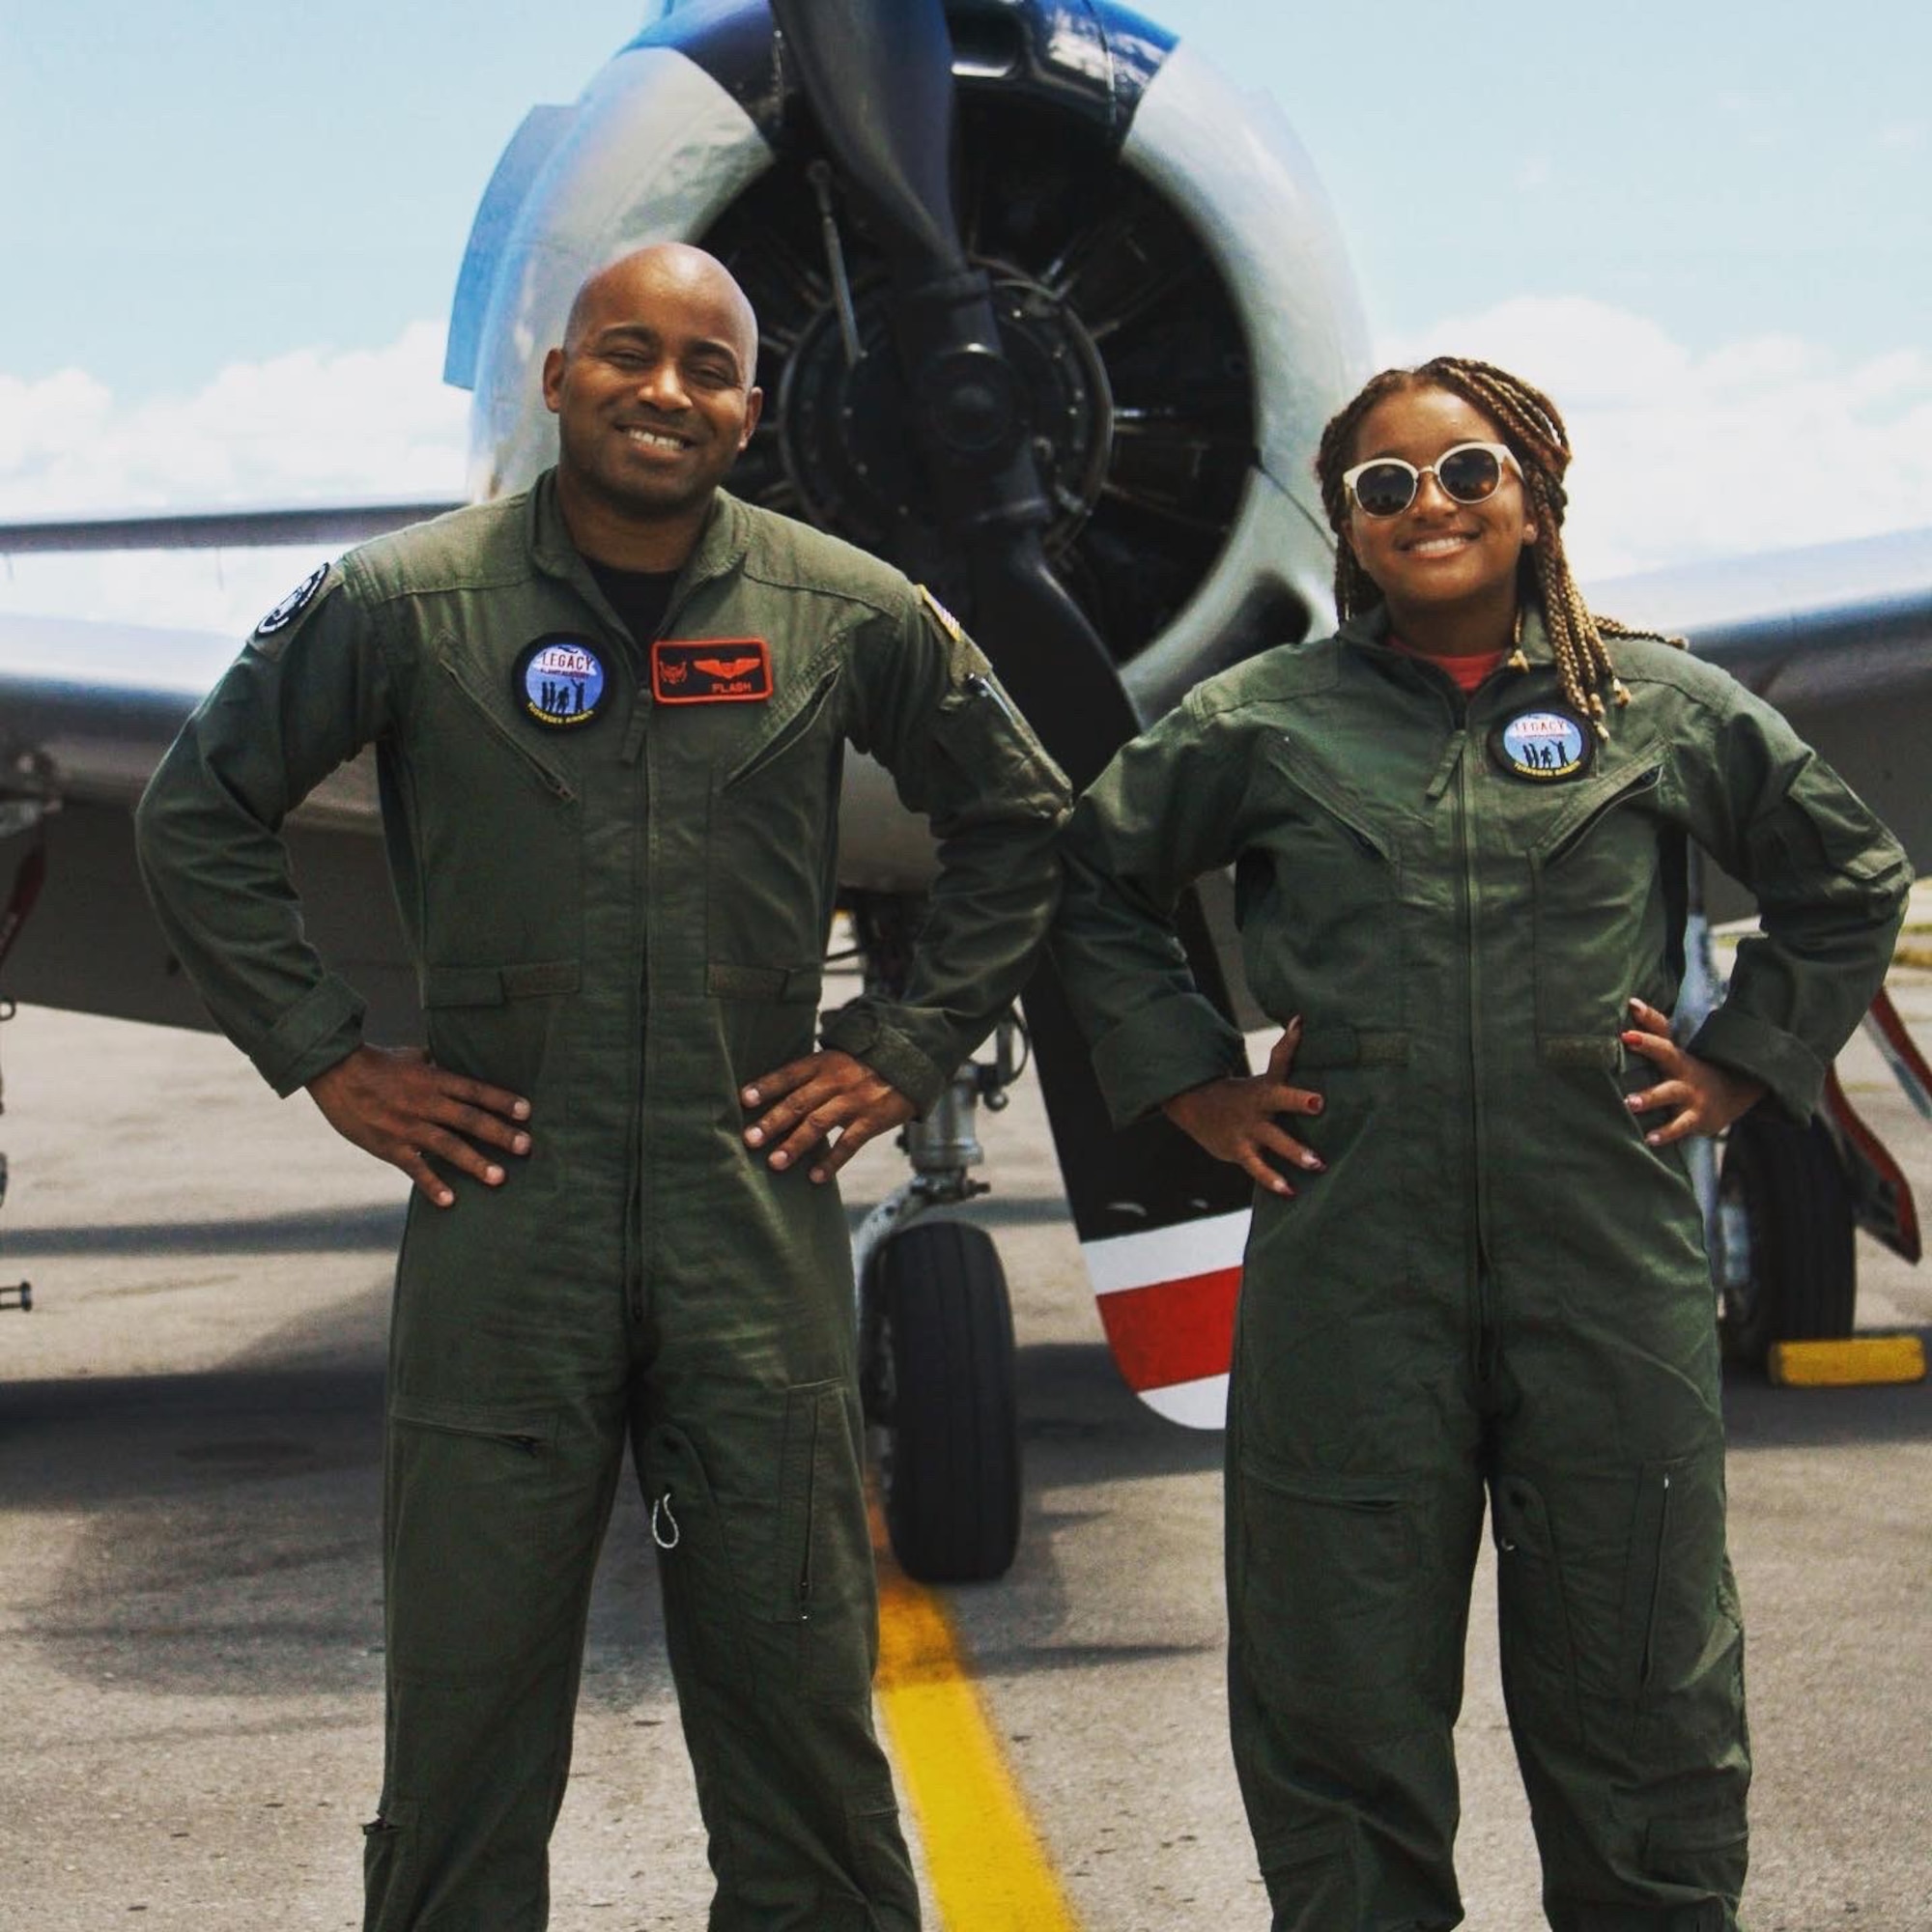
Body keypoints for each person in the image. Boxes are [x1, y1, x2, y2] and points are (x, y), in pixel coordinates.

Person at [134, 242, 1068, 1931]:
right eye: (626, 354)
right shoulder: (400, 603)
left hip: (748, 1226)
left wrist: (904, 1047)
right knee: (468, 1726)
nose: (667, 390)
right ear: (556, 382)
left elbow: (1022, 820)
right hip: (506, 1231)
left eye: (709, 366)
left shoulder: (843, 608)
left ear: (752, 410)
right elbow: (196, 812)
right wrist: (331, 1058)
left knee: (798, 1710)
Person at [1048, 356, 1911, 1931]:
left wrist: (1743, 1065)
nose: (1427, 504)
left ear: (1534, 498)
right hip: (1350, 1265)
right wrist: (1193, 1085)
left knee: (1645, 1681)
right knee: (1338, 1696)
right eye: (1386, 485)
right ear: (1348, 530)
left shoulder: (1656, 703)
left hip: (1610, 1265)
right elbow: (1092, 885)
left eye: (1466, 473)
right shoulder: (1261, 721)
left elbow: (1847, 878)